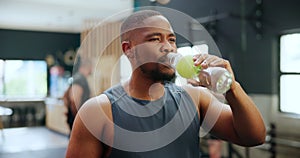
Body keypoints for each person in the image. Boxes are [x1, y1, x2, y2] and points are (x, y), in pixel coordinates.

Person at [66, 10, 266, 158]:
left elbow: (254, 137)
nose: (168, 47)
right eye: (155, 39)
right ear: (129, 49)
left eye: (171, 40)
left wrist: (232, 87)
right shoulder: (99, 110)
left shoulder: (195, 98)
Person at [63, 56, 92, 132]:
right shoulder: (80, 79)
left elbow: (65, 96)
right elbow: (73, 99)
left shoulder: (75, 78)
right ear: (87, 67)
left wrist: (68, 109)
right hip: (77, 120)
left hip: (73, 119)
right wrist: (78, 117)